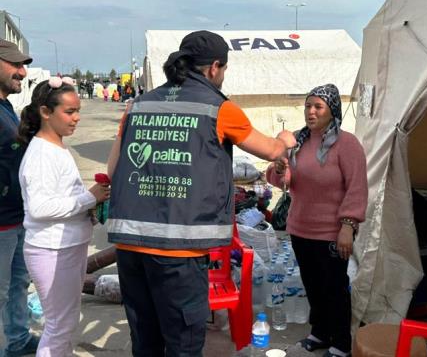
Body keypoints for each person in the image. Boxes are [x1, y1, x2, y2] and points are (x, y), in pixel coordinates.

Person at [106, 30, 297, 356]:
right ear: (214, 68)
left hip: (130, 247)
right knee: (183, 343)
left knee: (145, 342)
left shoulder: (137, 105)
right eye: (224, 70)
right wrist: (286, 140)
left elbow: (113, 172)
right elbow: (269, 149)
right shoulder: (219, 109)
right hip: (179, 253)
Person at [266, 84, 368, 357]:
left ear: (332, 110)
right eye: (308, 106)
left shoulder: (347, 145)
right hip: (301, 228)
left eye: (318, 106)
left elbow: (357, 187)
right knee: (312, 284)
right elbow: (284, 181)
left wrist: (348, 225)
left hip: (332, 232)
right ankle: (320, 332)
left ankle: (341, 343)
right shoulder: (299, 141)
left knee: (334, 287)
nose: (311, 112)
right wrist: (279, 168)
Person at [17, 77, 111, 356]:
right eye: (69, 112)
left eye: (78, 111)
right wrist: (88, 199)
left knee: (65, 324)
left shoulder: (56, 146)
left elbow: (60, 197)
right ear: (46, 112)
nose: (77, 118)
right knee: (59, 327)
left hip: (65, 246)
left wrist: (87, 211)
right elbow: (40, 208)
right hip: (52, 249)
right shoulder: (41, 154)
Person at [0, 40, 40, 357]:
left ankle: (18, 340)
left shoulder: (6, 108)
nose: (22, 72)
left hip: (16, 218)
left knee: (17, 285)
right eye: (15, 64)